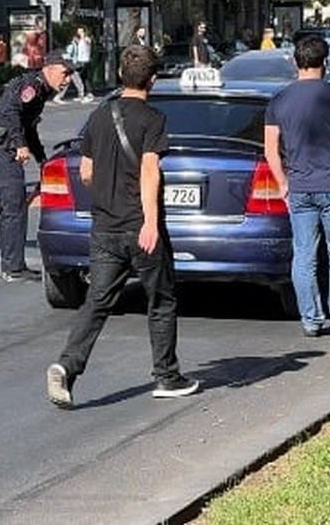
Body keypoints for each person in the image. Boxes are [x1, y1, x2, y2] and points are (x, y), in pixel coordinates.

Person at [46, 45, 199, 408]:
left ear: (119, 77)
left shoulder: (99, 116)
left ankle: (67, 367)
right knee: (160, 299)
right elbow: (149, 170)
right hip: (138, 226)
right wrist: (149, 221)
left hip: (104, 228)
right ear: (153, 80)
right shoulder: (153, 119)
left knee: (97, 301)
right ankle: (166, 376)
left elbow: (85, 171)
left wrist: (108, 193)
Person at [263, 36, 330, 338]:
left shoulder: (279, 100)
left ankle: (311, 319)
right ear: (326, 62)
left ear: (296, 62)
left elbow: (271, 149)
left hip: (299, 187)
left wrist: (283, 181)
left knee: (304, 254)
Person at [0, 51, 72, 282]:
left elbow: (29, 127)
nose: (68, 79)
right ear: (50, 68)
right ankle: (12, 268)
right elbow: (11, 112)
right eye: (65, 73)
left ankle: (13, 264)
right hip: (1, 149)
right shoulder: (31, 86)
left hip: (8, 147)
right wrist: (19, 145)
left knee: (15, 207)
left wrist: (43, 160)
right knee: (14, 206)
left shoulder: (41, 91)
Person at [60, 26, 93, 102]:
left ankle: (85, 93)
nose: (80, 33)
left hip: (84, 60)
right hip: (79, 60)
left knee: (78, 76)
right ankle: (85, 93)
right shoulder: (78, 41)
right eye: (78, 32)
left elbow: (88, 43)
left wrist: (83, 38)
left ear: (85, 32)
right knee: (82, 77)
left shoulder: (87, 39)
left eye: (81, 31)